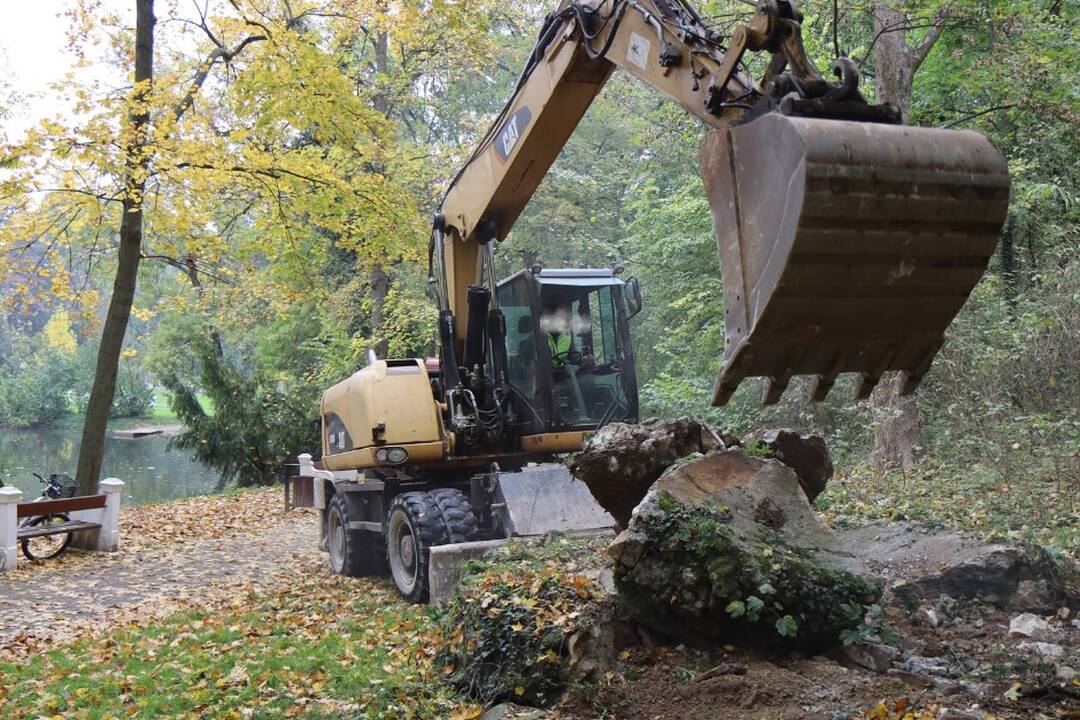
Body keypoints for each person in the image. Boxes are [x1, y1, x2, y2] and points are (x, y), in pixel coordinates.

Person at [540, 292, 573, 369]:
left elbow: (573, 355)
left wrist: (579, 359)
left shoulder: (567, 335)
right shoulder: (537, 337)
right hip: (545, 374)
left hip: (565, 374)